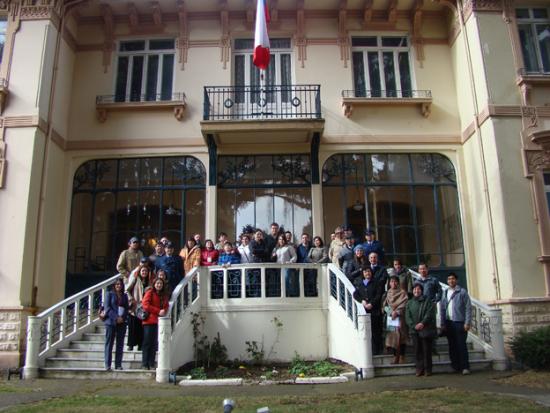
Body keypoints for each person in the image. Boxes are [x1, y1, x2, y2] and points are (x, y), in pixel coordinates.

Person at [440, 273, 472, 375]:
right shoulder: (445, 292)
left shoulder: (462, 292)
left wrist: (467, 322)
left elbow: (468, 308)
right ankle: (455, 366)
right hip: (449, 323)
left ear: (456, 280)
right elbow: (442, 308)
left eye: (453, 279)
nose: (451, 281)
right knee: (452, 346)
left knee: (461, 345)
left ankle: (465, 367)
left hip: (459, 322)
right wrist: (442, 323)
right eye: (449, 279)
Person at [406, 283, 437, 376]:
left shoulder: (427, 301)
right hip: (414, 330)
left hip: (425, 329)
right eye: (415, 289)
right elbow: (408, 316)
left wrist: (422, 323)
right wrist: (413, 325)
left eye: (418, 289)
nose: (416, 291)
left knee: (426, 350)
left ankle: (428, 369)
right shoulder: (409, 303)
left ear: (422, 291)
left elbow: (429, 314)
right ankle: (419, 368)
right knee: (417, 350)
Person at [353, 267, 384, 355]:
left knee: (376, 331)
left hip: (375, 310)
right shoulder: (361, 283)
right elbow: (355, 294)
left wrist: (372, 304)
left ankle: (377, 350)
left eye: (368, 272)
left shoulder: (377, 283)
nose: (367, 273)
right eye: (365, 272)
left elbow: (379, 295)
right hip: (364, 310)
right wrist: (362, 300)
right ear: (363, 273)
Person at [141, 278, 169, 370]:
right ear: (154, 284)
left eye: (160, 283)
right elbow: (145, 304)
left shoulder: (164, 295)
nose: (159, 285)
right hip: (149, 321)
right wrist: (157, 311)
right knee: (147, 343)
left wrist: (164, 310)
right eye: (157, 283)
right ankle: (145, 363)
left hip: (159, 321)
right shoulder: (150, 292)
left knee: (154, 343)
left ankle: (151, 363)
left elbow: (166, 305)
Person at [103, 278, 129, 371]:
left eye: (120, 284)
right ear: (114, 285)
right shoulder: (109, 294)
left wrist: (122, 318)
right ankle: (107, 364)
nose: (119, 286)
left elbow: (126, 308)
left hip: (122, 322)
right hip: (111, 322)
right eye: (117, 284)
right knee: (109, 343)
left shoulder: (124, 296)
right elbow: (107, 308)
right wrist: (116, 317)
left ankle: (118, 364)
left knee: (120, 344)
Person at [383, 275, 409, 364]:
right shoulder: (388, 293)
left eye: (395, 281)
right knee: (392, 336)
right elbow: (384, 306)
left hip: (400, 318)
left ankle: (402, 356)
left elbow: (405, 304)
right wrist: (390, 312)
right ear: (389, 283)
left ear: (398, 282)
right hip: (391, 319)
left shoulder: (403, 293)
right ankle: (395, 356)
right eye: (391, 282)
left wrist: (397, 312)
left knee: (402, 336)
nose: (393, 283)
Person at [126, 265, 150, 351]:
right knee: (132, 327)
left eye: (146, 271)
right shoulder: (135, 279)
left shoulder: (149, 282)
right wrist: (131, 299)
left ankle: (140, 345)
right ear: (140, 272)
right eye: (143, 271)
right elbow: (127, 290)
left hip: (144, 308)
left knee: (141, 327)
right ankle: (131, 345)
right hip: (135, 307)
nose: (144, 273)